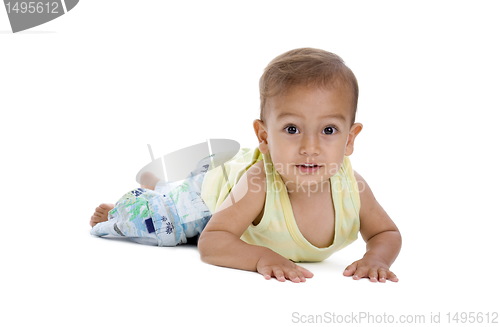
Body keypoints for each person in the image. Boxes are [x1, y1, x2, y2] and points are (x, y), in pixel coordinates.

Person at [90, 48, 402, 283]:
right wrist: (260, 257)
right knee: (165, 223)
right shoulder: (261, 182)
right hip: (205, 200)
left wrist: (377, 259)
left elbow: (386, 233)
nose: (310, 148)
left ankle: (165, 184)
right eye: (292, 129)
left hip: (229, 181)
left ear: (350, 139)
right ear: (264, 137)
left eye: (329, 130)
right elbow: (213, 242)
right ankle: (132, 204)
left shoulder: (353, 187)